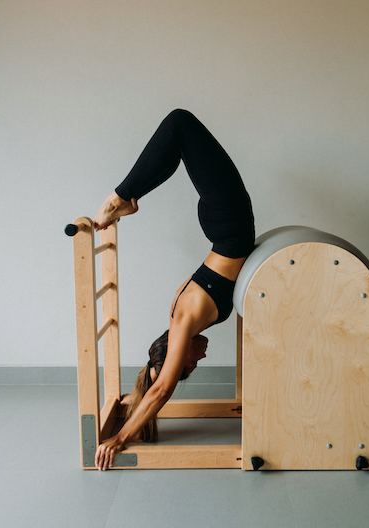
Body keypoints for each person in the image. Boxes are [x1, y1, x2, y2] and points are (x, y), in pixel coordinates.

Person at [92, 109, 254, 470]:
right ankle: (128, 201)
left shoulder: (182, 320)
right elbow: (159, 377)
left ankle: (117, 199)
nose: (202, 358)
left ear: (176, 352)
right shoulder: (177, 314)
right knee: (181, 139)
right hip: (225, 222)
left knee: (180, 124)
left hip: (229, 221)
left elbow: (162, 389)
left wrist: (120, 438)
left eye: (191, 360)